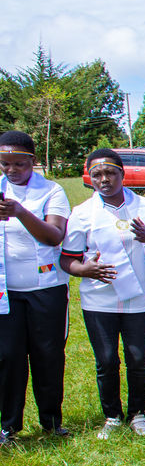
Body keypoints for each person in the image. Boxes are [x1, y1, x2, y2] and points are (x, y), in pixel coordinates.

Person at [61, 149, 145, 439]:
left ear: (122, 174)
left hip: (137, 298)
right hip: (99, 300)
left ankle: (138, 414)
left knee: (137, 358)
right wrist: (86, 269)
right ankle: (112, 416)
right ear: (89, 178)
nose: (104, 179)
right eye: (97, 174)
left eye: (110, 173)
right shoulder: (82, 213)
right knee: (107, 360)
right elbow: (67, 260)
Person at [0, 131, 71, 444]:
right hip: (5, 291)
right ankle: (9, 426)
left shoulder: (51, 190)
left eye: (19, 163)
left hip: (46, 288)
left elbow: (54, 236)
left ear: (33, 160)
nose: (11, 169)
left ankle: (51, 422)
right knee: (8, 357)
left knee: (48, 355)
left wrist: (20, 212)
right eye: (5, 163)